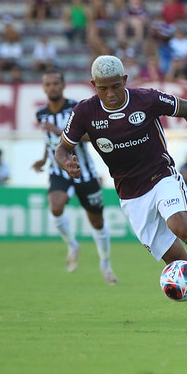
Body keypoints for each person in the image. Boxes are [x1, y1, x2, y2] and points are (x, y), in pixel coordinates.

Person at [56, 56, 187, 319]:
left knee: (182, 227)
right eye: (102, 88)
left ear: (124, 81)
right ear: (93, 85)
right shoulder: (84, 112)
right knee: (177, 262)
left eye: (115, 87)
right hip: (131, 195)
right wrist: (67, 164)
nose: (109, 94)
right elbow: (62, 148)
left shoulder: (146, 99)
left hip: (161, 177)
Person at [32, 71, 117, 285]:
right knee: (55, 206)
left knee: (96, 221)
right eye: (48, 84)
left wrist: (60, 130)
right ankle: (72, 244)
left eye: (55, 83)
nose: (52, 87)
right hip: (58, 169)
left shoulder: (76, 109)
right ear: (44, 88)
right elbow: (49, 141)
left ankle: (105, 263)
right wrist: (44, 159)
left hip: (84, 171)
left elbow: (88, 135)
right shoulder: (41, 113)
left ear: (63, 85)